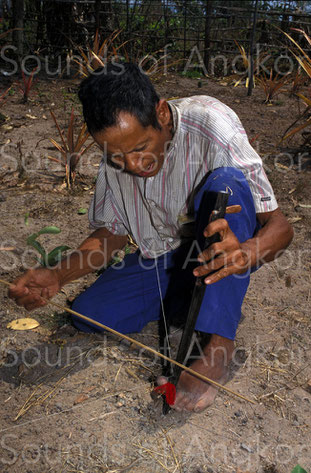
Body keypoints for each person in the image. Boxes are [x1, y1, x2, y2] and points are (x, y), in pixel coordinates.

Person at [9, 63, 293, 412]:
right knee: (89, 314)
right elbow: (112, 235)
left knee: (226, 185)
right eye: (117, 156)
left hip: (217, 248)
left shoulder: (213, 125)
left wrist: (248, 253)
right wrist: (58, 275)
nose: (132, 164)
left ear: (160, 113)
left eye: (141, 146)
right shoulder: (116, 158)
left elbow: (280, 228)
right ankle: (189, 301)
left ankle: (218, 346)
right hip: (164, 258)